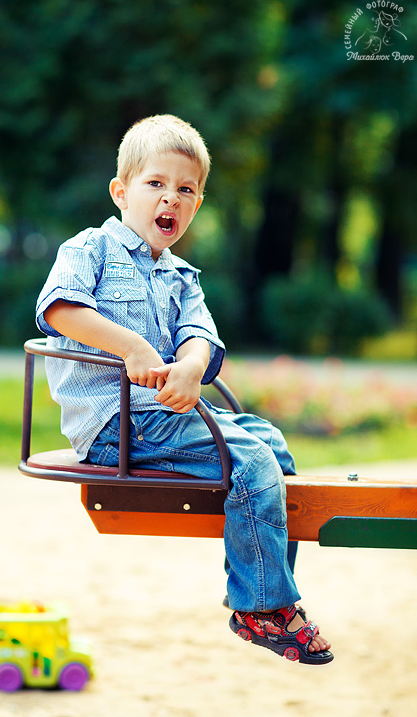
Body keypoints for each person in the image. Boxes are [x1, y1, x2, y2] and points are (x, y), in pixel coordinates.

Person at [36, 114, 333, 665]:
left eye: (186, 189)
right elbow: (60, 309)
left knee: (273, 446)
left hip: (167, 413)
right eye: (156, 183)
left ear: (197, 204)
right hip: (118, 422)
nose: (170, 198)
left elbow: (200, 335)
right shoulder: (90, 249)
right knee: (251, 461)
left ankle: (255, 589)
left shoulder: (182, 276)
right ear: (121, 192)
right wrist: (132, 347)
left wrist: (193, 367)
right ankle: (265, 607)